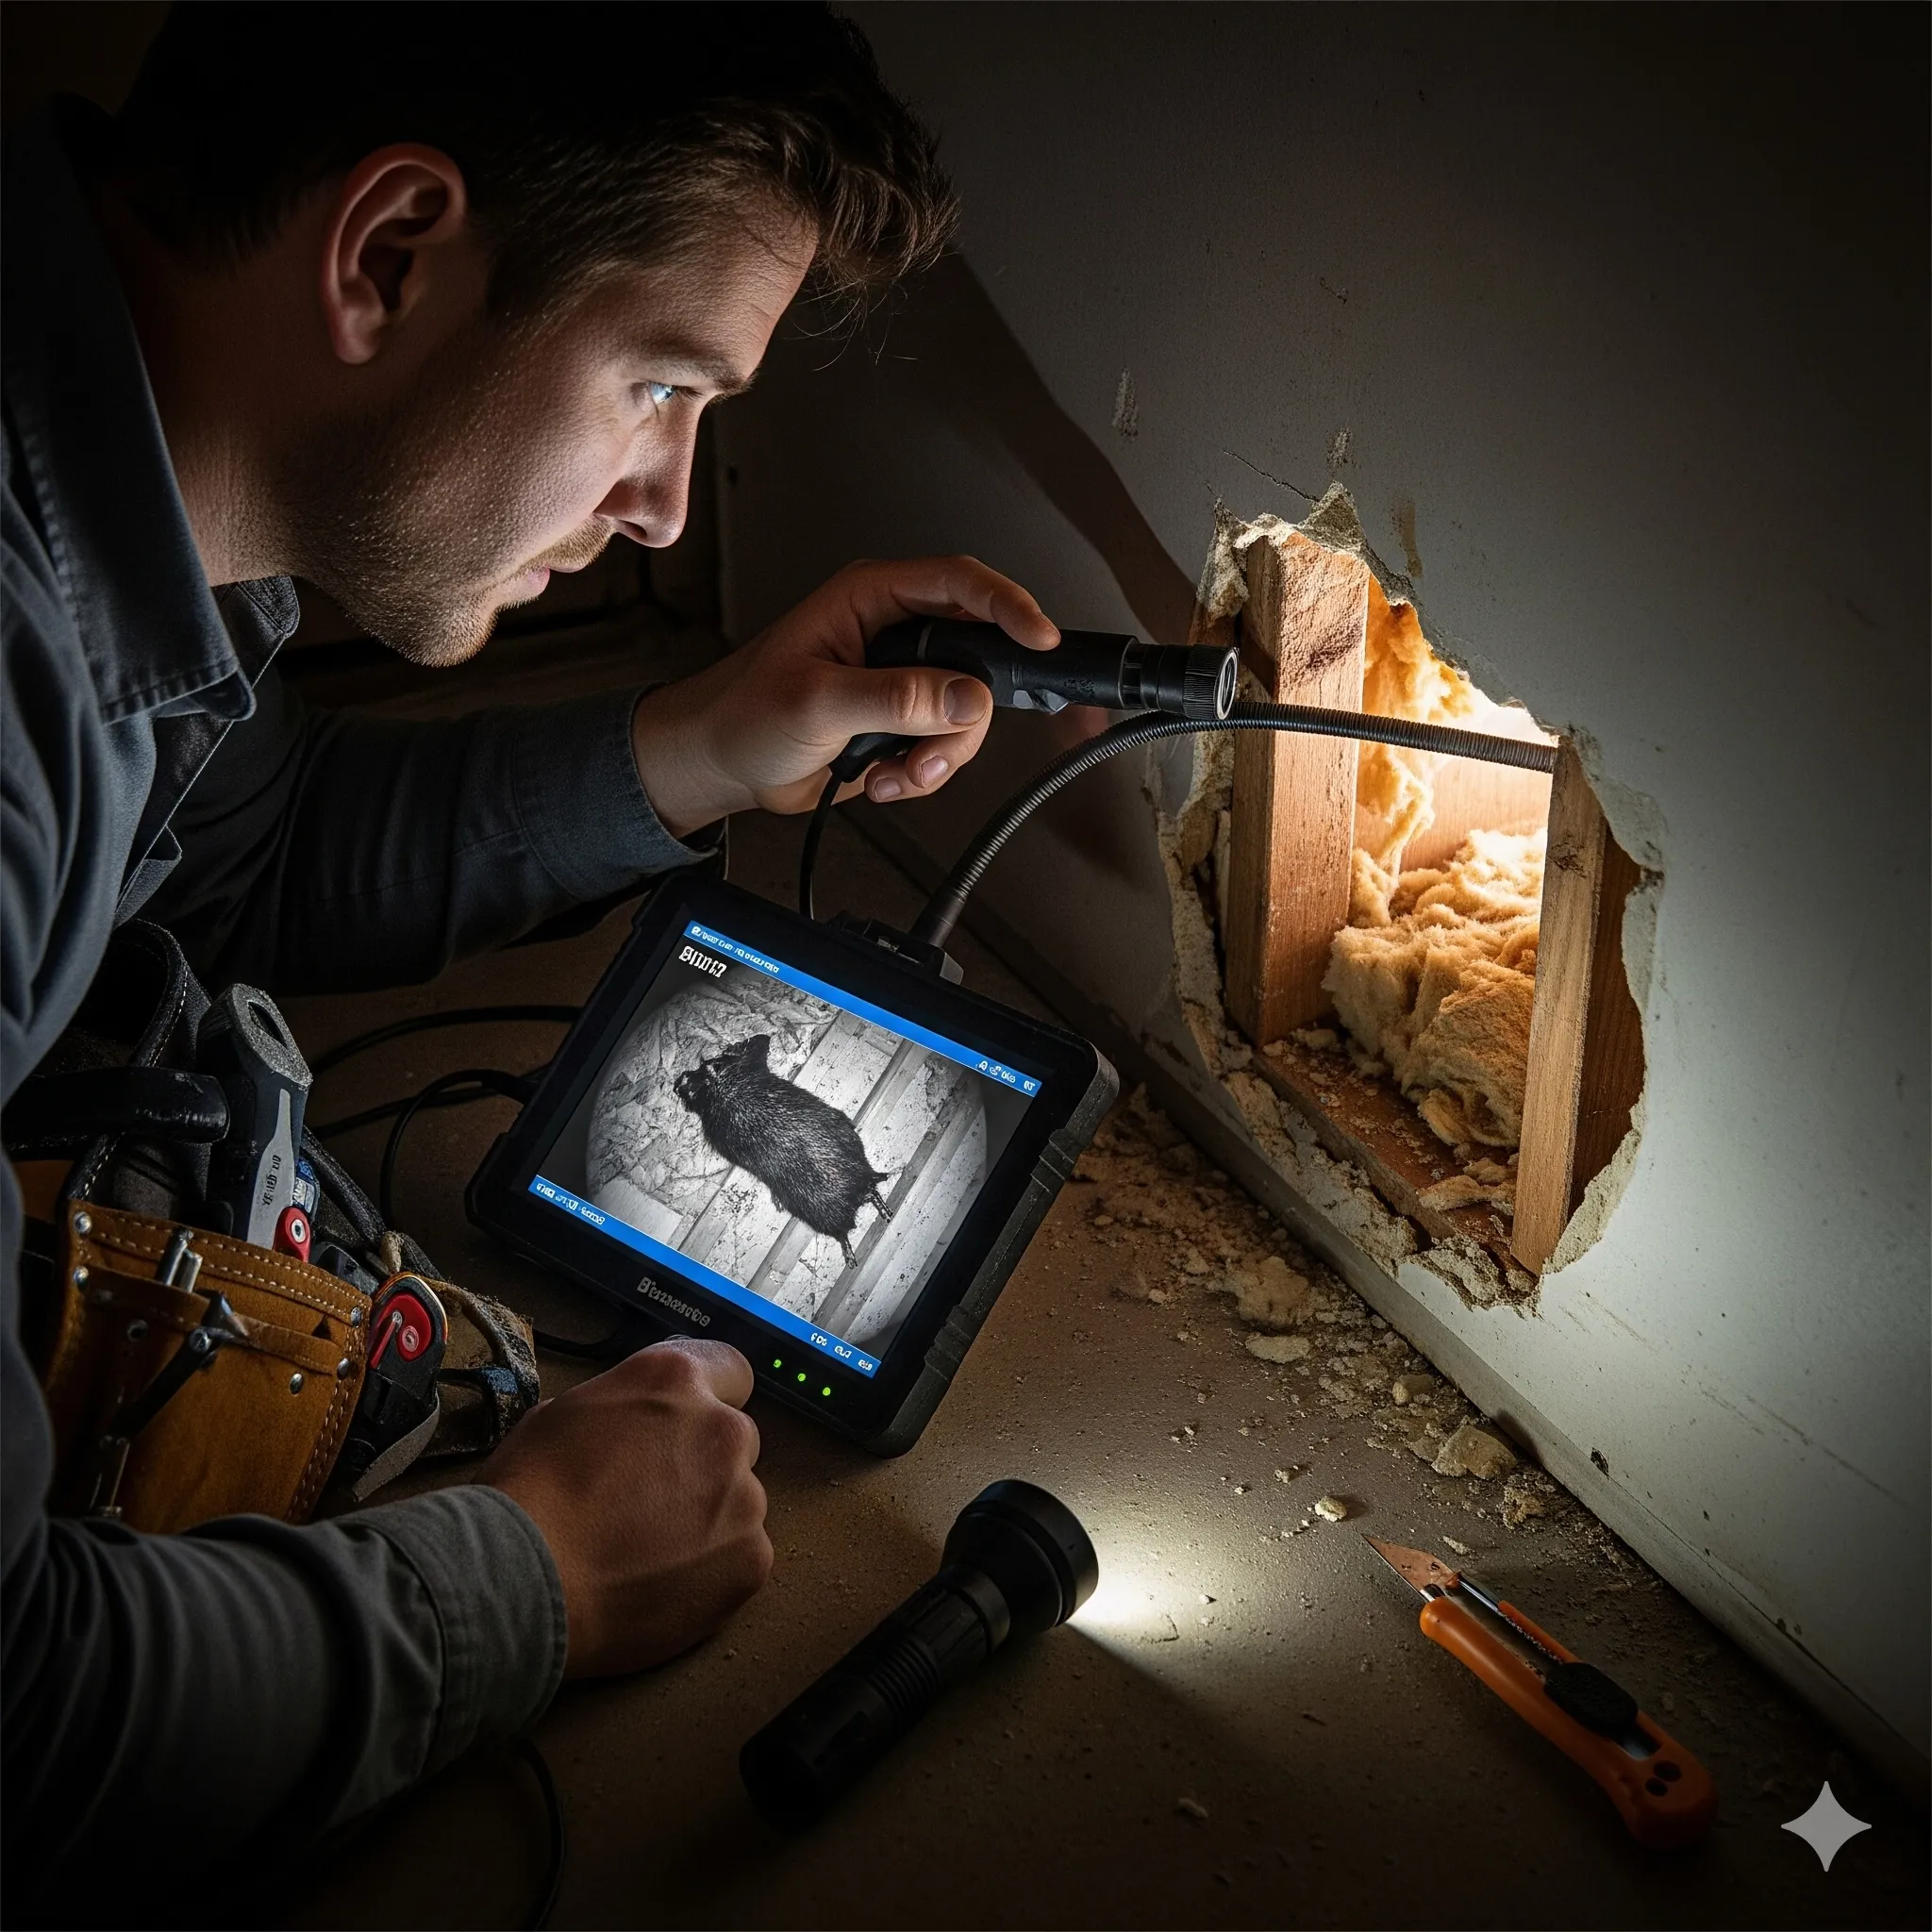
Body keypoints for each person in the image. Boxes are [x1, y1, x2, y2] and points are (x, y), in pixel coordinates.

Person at [0, 6, 1058, 1917]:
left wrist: (706, 736)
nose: (664, 500)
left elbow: (230, 846)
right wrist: (543, 1571)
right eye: (663, 385)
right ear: (389, 253)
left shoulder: (116, 462)